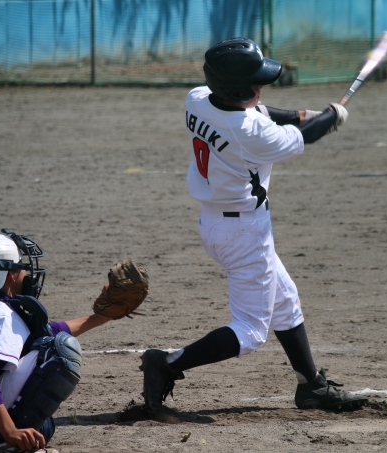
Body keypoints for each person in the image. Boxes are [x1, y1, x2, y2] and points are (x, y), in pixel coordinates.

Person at [140, 37, 368, 418]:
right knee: (250, 331)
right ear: (235, 88)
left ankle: (310, 384)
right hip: (244, 233)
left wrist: (301, 114)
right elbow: (301, 137)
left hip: (216, 223)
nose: (261, 86)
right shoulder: (252, 134)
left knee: (285, 299)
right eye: (255, 81)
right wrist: (330, 117)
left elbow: (260, 110)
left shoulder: (197, 98)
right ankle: (166, 362)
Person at [0, 230, 113, 453]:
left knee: (44, 426)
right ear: (10, 275)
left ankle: (3, 439)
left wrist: (100, 318)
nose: (27, 272)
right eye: (22, 266)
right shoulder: (1, 315)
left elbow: (46, 331)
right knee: (58, 351)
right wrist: (10, 431)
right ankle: (4, 444)